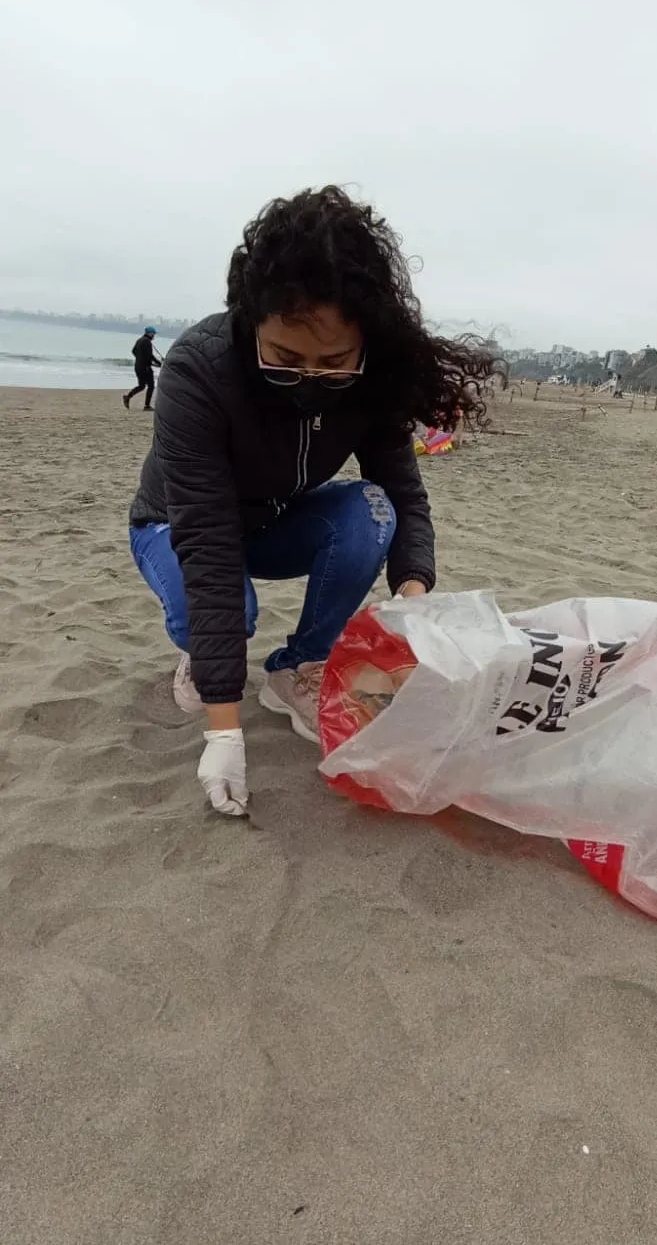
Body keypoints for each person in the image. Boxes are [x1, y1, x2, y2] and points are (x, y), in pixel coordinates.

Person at [128, 186, 496, 817]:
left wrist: (413, 600)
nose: (308, 380)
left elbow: (404, 493)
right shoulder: (199, 371)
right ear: (251, 321)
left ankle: (297, 668)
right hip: (176, 524)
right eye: (285, 358)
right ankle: (205, 656)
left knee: (372, 508)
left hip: (275, 522)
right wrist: (224, 732)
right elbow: (207, 540)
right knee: (224, 612)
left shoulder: (374, 380)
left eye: (333, 362)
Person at [123, 326, 161, 410]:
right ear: (149, 333)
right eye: (153, 334)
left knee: (142, 386)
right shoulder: (147, 342)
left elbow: (133, 351)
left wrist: (139, 359)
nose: (154, 335)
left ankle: (127, 397)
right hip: (145, 368)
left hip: (138, 367)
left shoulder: (139, 340)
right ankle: (147, 406)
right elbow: (150, 356)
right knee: (151, 386)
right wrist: (159, 363)